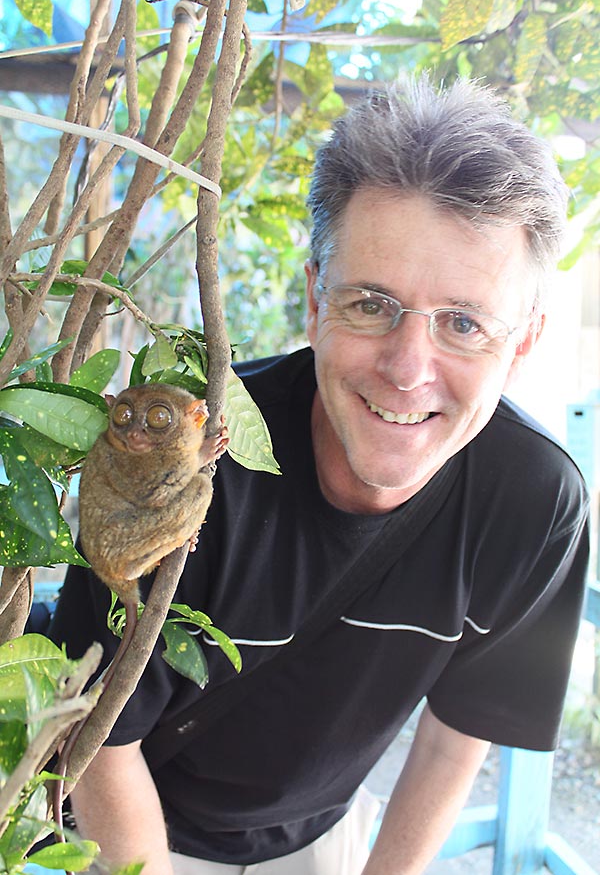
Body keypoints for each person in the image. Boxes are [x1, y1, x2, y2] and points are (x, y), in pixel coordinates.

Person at [49, 75, 590, 875]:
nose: (408, 370)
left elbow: (459, 731)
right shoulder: (203, 458)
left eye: (464, 323)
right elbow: (100, 740)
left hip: (320, 834)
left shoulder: (534, 501)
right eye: (370, 303)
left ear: (524, 343)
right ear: (314, 299)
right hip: (128, 825)